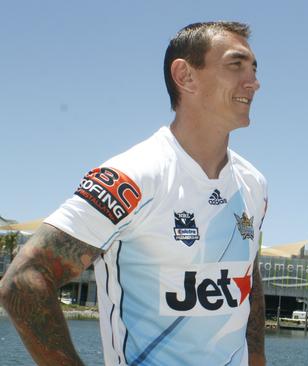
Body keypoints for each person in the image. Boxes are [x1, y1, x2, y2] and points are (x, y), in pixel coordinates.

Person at [0, 21, 267, 366]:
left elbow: (249, 278)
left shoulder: (254, 184)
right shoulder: (132, 177)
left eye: (254, 69)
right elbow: (23, 281)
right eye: (236, 65)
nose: (254, 82)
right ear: (185, 76)